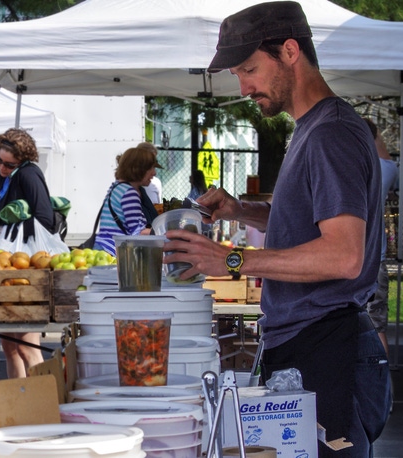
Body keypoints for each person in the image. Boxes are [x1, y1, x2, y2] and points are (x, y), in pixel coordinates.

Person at [163, 3, 390, 456]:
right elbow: (306, 223)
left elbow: (343, 255)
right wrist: (238, 209)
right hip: (310, 343)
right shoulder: (312, 128)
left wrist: (230, 259)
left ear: (290, 51)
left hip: (329, 345)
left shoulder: (332, 134)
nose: (243, 86)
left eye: (249, 69)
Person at [0, 128, 57, 378]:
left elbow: (46, 220)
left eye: (9, 164)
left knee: (27, 346)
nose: (2, 167)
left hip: (27, 268)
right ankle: (20, 398)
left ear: (23, 160)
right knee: (11, 347)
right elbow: (9, 220)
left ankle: (43, 399)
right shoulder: (8, 177)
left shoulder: (28, 174)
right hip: (9, 265)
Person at [364, 118, 398, 357]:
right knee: (376, 326)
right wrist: (371, 128)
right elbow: (386, 158)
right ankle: (382, 386)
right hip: (374, 259)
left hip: (351, 260)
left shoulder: (345, 166)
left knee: (369, 327)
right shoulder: (382, 170)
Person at [92, 146, 159, 257]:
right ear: (138, 169)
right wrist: (165, 232)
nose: (154, 173)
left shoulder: (117, 187)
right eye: (150, 168)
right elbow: (137, 233)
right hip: (111, 252)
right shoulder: (129, 193)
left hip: (102, 248)